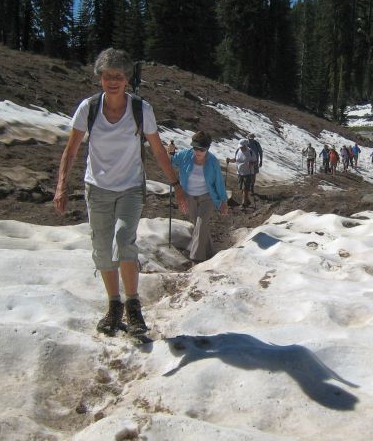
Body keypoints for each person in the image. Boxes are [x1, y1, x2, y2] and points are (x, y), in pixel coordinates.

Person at [53, 48, 187, 338]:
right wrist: (62, 185)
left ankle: (133, 305)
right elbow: (71, 150)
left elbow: (158, 150)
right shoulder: (88, 108)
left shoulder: (141, 109)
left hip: (129, 187)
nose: (112, 81)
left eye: (118, 76)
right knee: (102, 249)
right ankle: (114, 304)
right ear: (99, 78)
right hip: (96, 188)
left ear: (127, 79)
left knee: (124, 240)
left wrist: (176, 186)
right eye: (107, 75)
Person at [171, 131, 229, 262]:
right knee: (198, 226)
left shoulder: (213, 161)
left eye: (201, 149)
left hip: (207, 198)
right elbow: (173, 163)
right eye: (195, 148)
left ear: (207, 148)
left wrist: (223, 201)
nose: (197, 151)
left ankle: (196, 259)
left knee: (201, 226)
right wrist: (171, 153)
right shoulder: (185, 155)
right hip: (189, 197)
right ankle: (210, 252)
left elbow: (218, 182)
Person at [226, 139, 257, 207]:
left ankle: (244, 203)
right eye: (240, 146)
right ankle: (247, 200)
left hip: (248, 172)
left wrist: (251, 163)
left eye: (242, 146)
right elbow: (235, 159)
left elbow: (255, 161)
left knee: (245, 188)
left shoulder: (250, 152)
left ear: (246, 145)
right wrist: (230, 160)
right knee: (241, 188)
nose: (241, 148)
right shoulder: (238, 151)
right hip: (239, 172)